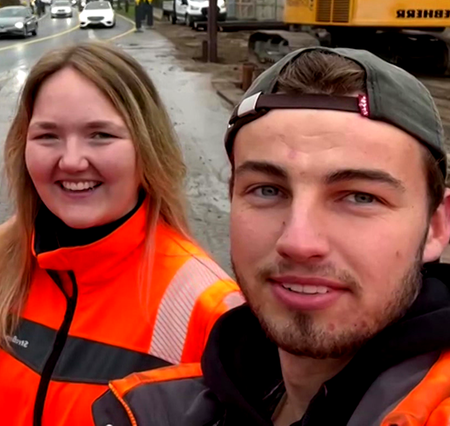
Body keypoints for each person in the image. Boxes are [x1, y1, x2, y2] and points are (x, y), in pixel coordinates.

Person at [93, 47, 450, 426]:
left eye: (361, 197)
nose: (299, 242)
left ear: (436, 226)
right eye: (267, 190)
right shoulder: (159, 407)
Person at [0, 41, 242, 425]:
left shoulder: (211, 312)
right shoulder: (5, 261)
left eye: (100, 135)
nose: (72, 160)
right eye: (47, 136)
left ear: (146, 147)